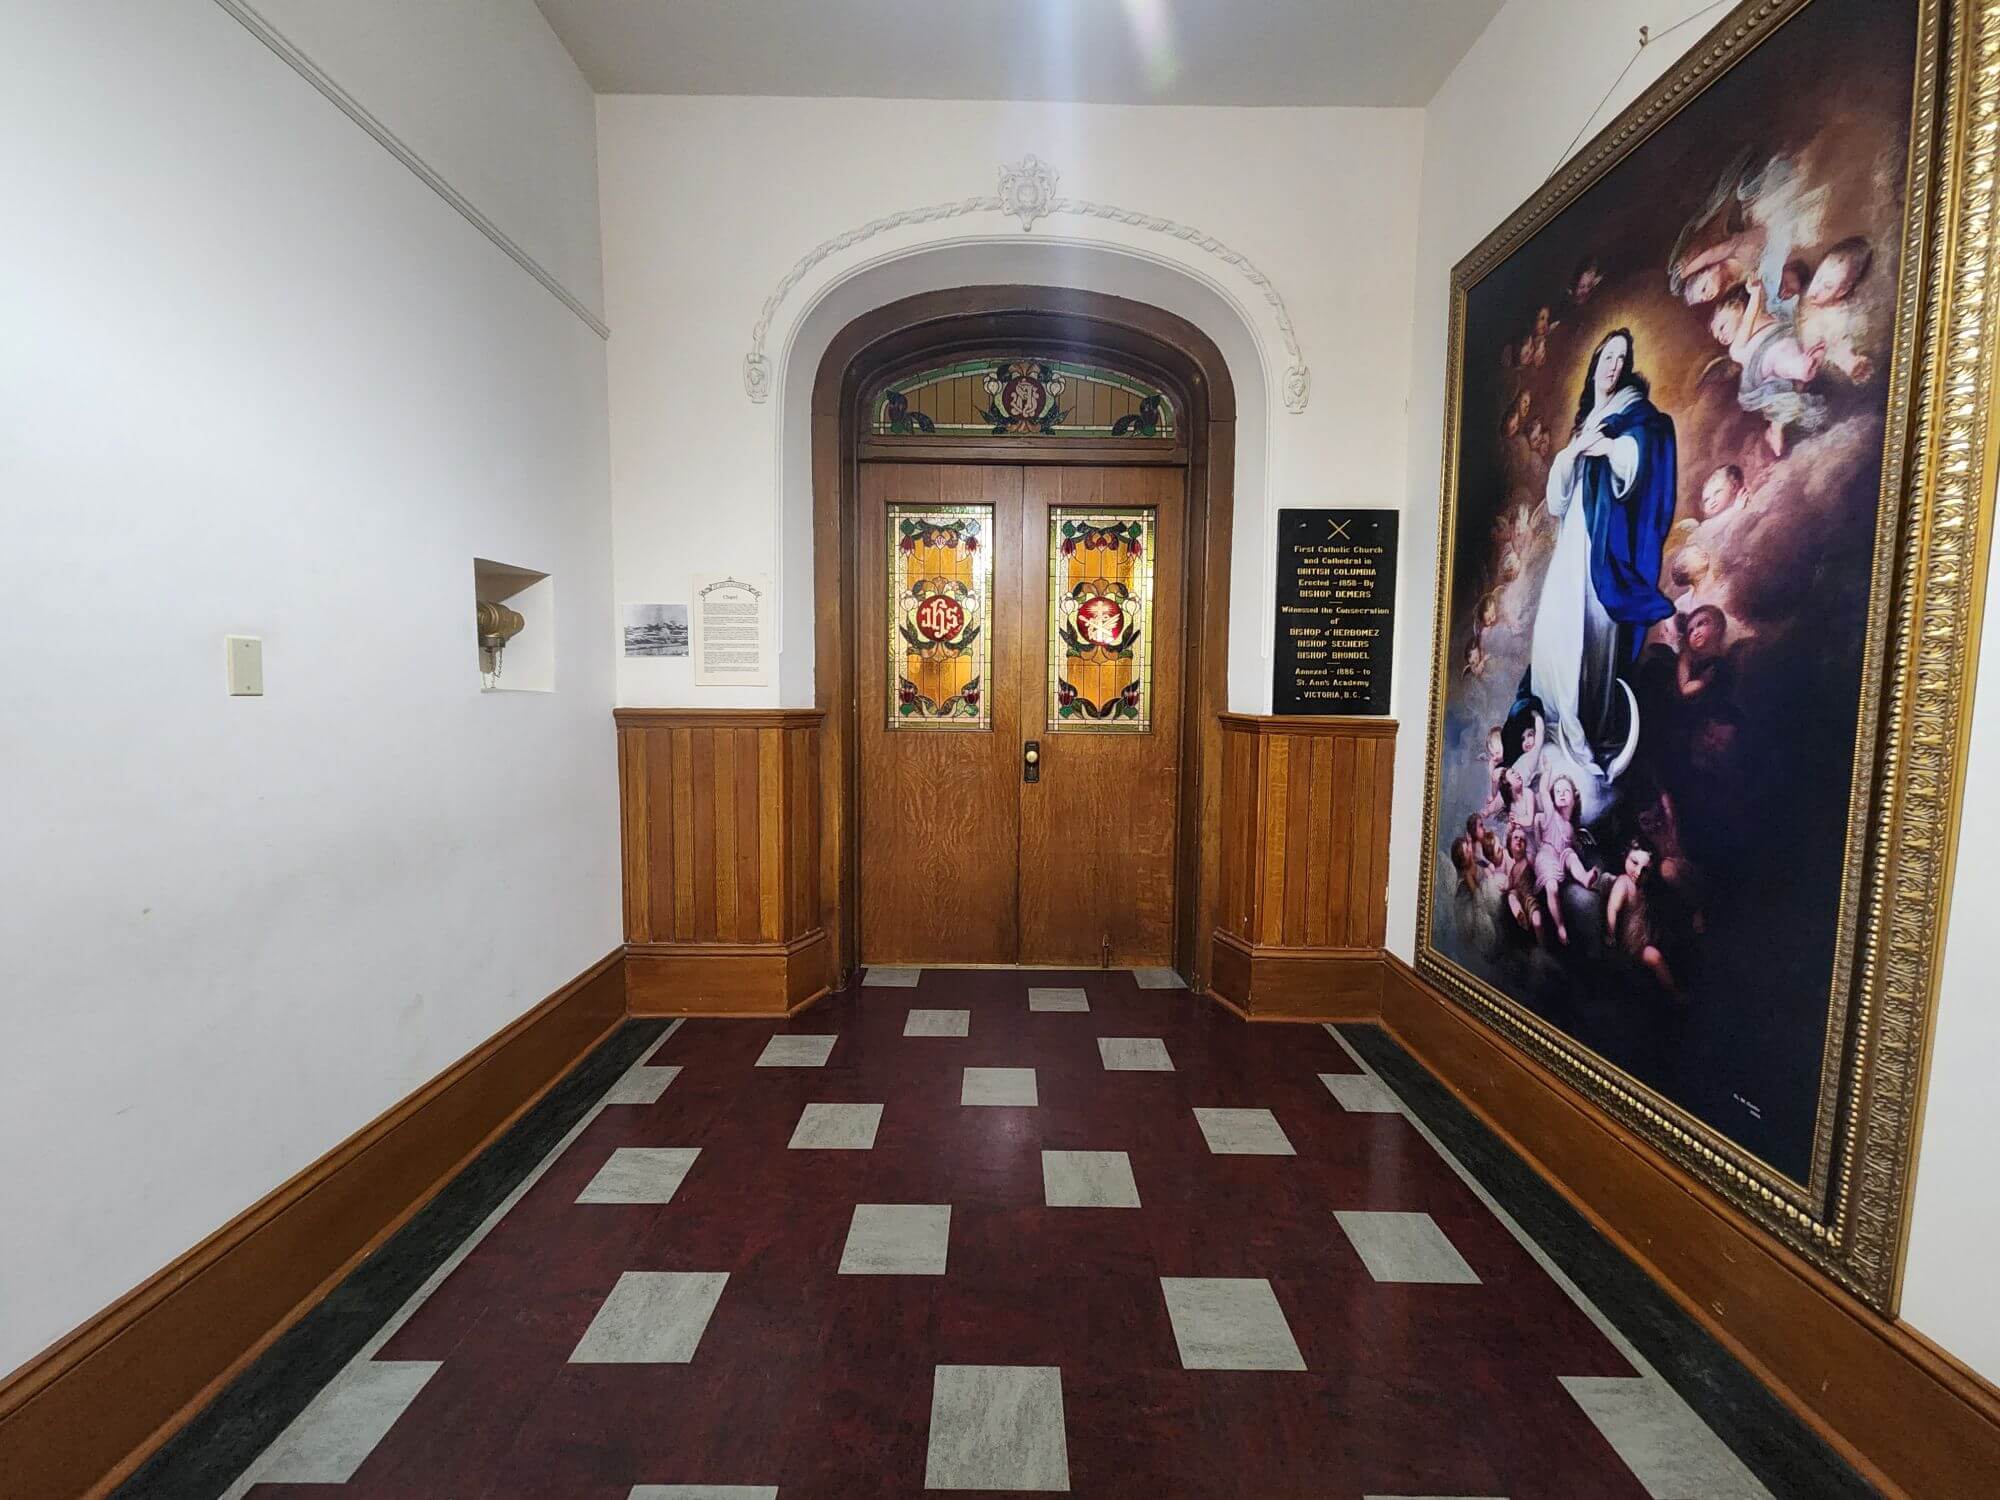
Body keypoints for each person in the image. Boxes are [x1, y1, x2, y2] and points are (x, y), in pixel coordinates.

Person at [1526, 329, 1678, 779]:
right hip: (1573, 541)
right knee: (1558, 631)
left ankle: (1585, 738)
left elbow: (1642, 458)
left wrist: (1610, 448)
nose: (1615, 365)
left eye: (1622, 358)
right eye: (1608, 357)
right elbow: (1557, 500)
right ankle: (1562, 730)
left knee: (1591, 636)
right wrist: (1574, 452)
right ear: (1594, 365)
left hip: (1603, 546)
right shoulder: (1586, 422)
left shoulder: (1632, 415)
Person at [1708, 281, 1826, 456]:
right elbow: (1750, 316)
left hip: (1782, 341)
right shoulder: (1739, 340)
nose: (1722, 337)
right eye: (1718, 337)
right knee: (1783, 370)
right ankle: (1802, 368)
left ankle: (1775, 430)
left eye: (1722, 327)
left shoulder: (1765, 313)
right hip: (1762, 362)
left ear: (1737, 308)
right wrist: (1756, 294)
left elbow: (1782, 310)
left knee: (1790, 386)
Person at [1607, 841, 1677, 991]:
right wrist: (1611, 936)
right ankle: (1677, 995)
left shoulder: (1644, 887)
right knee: (1655, 957)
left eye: (1645, 870)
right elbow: (1613, 908)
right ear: (1625, 857)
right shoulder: (1623, 882)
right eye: (1634, 863)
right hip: (1632, 946)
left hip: (1646, 938)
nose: (1638, 873)